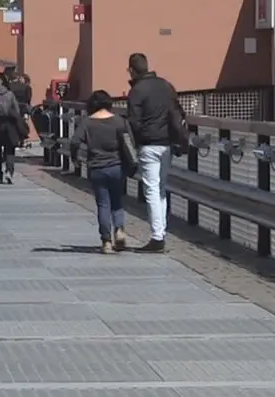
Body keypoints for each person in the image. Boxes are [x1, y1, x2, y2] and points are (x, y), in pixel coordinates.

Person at [124, 52, 188, 253]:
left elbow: (133, 121)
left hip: (149, 144)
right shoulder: (166, 86)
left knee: (151, 189)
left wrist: (138, 141)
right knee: (160, 189)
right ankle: (161, 232)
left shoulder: (137, 91)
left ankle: (157, 237)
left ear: (132, 70)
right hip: (167, 143)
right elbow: (178, 111)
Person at [70, 90, 135, 254]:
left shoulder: (87, 122)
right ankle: (119, 230)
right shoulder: (119, 121)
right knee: (117, 201)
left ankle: (106, 242)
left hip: (96, 168)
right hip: (117, 167)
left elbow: (75, 141)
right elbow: (128, 143)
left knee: (103, 204)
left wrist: (75, 157)